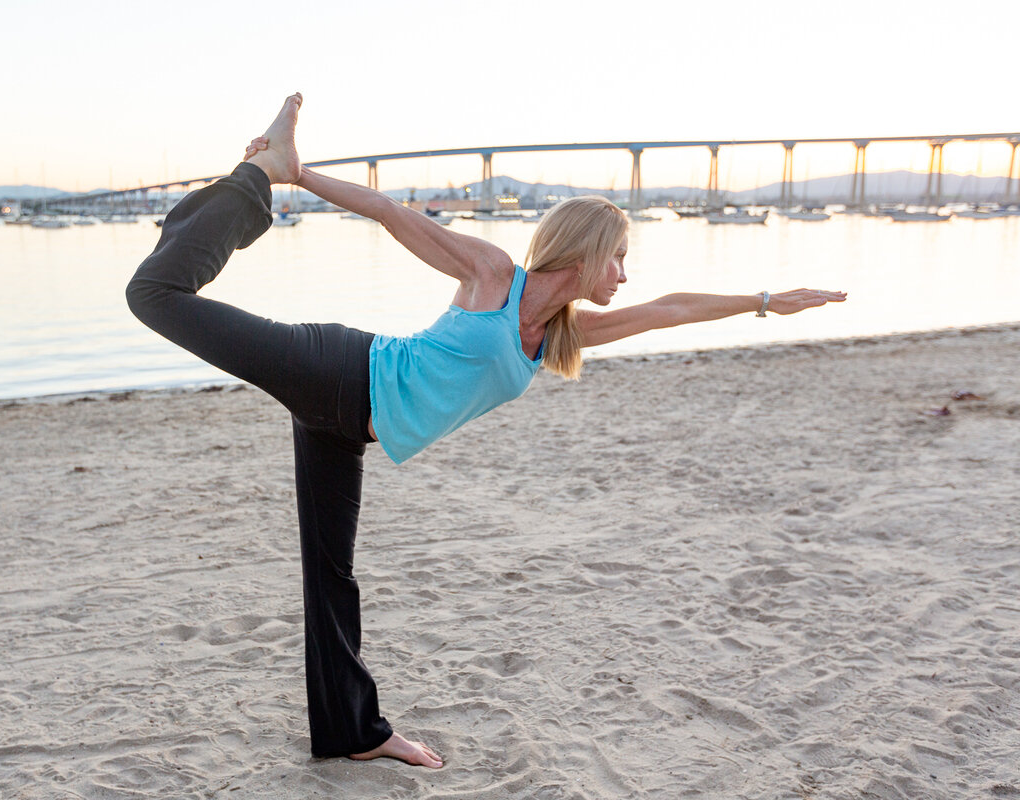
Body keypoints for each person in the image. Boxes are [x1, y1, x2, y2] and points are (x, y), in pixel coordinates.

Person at [126, 93, 846, 770]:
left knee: (331, 574)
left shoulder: (562, 334)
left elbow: (671, 310)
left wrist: (763, 301)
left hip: (345, 428)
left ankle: (353, 733)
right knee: (154, 294)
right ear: (587, 250)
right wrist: (297, 176)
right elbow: (390, 213)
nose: (624, 275)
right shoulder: (494, 276)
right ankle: (256, 177)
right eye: (619, 257)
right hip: (337, 370)